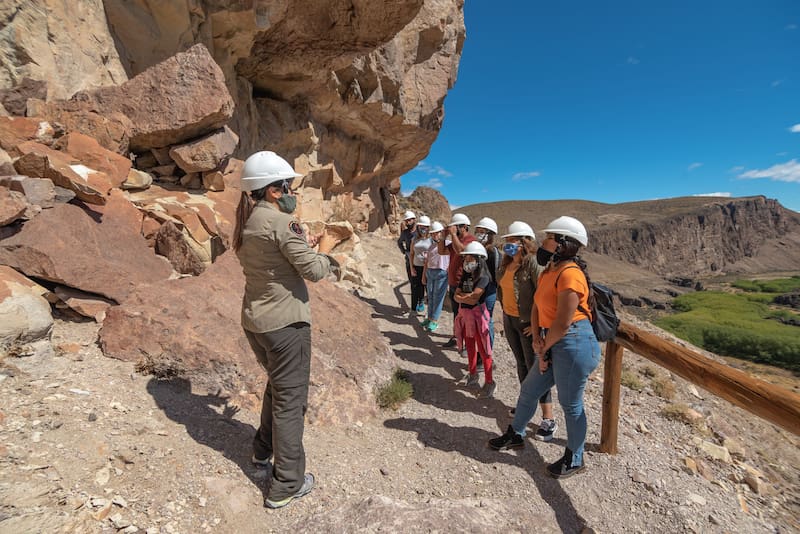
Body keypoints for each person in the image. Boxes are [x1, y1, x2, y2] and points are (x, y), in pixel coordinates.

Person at [233, 151, 340, 508]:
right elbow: (315, 271)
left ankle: (261, 452)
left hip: (257, 322)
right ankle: (287, 484)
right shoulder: (283, 224)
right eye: (288, 186)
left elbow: (277, 262)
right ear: (274, 191)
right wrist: (326, 248)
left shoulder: (248, 222)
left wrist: (303, 249)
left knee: (276, 389)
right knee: (290, 403)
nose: (293, 191)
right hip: (285, 325)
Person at [488, 216, 600, 480]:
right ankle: (516, 434)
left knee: (570, 403)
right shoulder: (551, 270)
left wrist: (542, 346)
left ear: (562, 244)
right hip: (554, 339)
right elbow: (538, 305)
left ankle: (575, 457)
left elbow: (563, 321)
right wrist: (538, 336)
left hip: (574, 343)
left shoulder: (571, 274)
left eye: (549, 237)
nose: (543, 241)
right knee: (529, 389)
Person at [496, 221, 557, 441]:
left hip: (528, 323)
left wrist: (537, 324)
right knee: (521, 364)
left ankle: (548, 418)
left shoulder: (532, 263)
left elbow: (543, 295)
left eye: (512, 241)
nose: (508, 245)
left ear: (523, 242)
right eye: (507, 241)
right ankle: (525, 407)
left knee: (536, 370)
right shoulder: (505, 264)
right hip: (510, 320)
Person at [454, 241, 497, 398]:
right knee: (470, 346)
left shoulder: (484, 277)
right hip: (467, 316)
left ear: (479, 260)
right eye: (466, 258)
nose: (467, 261)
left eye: (470, 258)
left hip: (479, 319)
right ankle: (472, 374)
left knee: (484, 350)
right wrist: (466, 297)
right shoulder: (466, 275)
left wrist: (463, 297)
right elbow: (456, 296)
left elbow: (473, 299)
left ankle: (490, 382)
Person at [439, 213, 476, 348]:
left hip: (464, 284)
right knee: (456, 314)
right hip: (453, 282)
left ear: (464, 227)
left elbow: (461, 251)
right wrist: (443, 237)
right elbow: (442, 251)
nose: (454, 230)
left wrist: (453, 235)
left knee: (465, 314)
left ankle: (466, 343)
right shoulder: (456, 240)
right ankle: (456, 337)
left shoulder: (471, 240)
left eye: (456, 227)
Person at [474, 217, 500, 349]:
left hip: (488, 290)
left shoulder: (492, 252)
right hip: (476, 290)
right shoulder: (475, 249)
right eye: (477, 231)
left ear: (489, 234)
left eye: (482, 231)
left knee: (486, 320)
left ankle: (486, 352)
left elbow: (495, 275)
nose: (478, 233)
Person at [421, 221, 450, 332]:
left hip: (442, 273)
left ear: (441, 232)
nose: (434, 235)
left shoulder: (448, 244)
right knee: (431, 296)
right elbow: (427, 261)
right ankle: (429, 318)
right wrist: (424, 276)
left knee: (438, 297)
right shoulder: (431, 246)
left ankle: (434, 321)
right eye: (432, 233)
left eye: (436, 233)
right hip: (430, 272)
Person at [409, 215, 431, 315]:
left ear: (428, 227)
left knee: (428, 289)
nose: (423, 228)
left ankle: (429, 312)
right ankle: (413, 309)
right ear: (418, 227)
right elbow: (411, 254)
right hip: (416, 267)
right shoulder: (414, 239)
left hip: (428, 268)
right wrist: (411, 268)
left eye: (425, 226)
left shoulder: (431, 240)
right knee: (415, 288)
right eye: (421, 226)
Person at [397, 210, 417, 305]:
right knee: (412, 281)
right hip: (409, 260)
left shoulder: (420, 232)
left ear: (414, 220)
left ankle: (420, 300)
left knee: (421, 281)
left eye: (410, 220)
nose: (408, 222)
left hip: (420, 260)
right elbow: (399, 242)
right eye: (406, 221)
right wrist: (404, 251)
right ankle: (415, 303)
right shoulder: (405, 233)